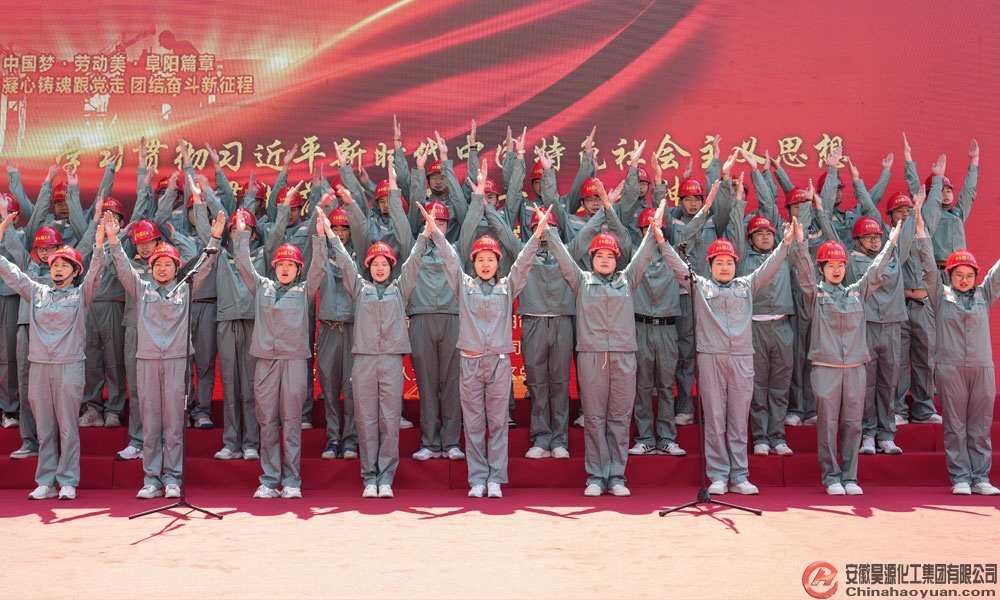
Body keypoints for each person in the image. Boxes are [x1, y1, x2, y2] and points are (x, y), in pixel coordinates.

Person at [660, 181, 794, 495]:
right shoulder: (700, 287)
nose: (724, 266)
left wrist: (785, 244)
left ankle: (740, 476)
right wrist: (661, 241)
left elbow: (770, 268)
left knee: (737, 420)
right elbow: (677, 265)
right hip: (711, 360)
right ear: (709, 266)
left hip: (742, 360)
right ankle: (719, 476)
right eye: (718, 262)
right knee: (716, 420)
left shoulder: (746, 285)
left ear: (736, 265)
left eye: (729, 262)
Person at [430, 161, 542, 499]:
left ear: (497, 263)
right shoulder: (463, 286)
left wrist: (537, 236)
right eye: (480, 259)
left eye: (491, 259)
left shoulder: (508, 287)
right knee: (475, 423)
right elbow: (449, 258)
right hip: (470, 362)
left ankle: (496, 479)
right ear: (474, 263)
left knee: (497, 423)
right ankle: (477, 479)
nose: (485, 264)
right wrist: (434, 232)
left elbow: (523, 262)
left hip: (498, 364)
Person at [105, 207, 222, 499]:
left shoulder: (185, 290)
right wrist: (114, 241)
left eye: (168, 264)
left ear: (176, 267)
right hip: (147, 362)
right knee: (150, 422)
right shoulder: (142, 290)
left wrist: (216, 238)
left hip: (176, 363)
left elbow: (205, 266)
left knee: (173, 424)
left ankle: (172, 479)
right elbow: (123, 268)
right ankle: (151, 480)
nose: (162, 269)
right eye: (158, 264)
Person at [547, 204, 660, 497]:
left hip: (624, 356)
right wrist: (547, 231)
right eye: (600, 255)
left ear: (617, 259)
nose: (605, 260)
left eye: (610, 255)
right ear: (591, 259)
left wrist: (654, 231)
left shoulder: (627, 280)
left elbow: (643, 256)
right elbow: (563, 258)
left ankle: (617, 476)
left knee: (620, 418)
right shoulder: (581, 281)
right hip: (592, 357)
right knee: (595, 418)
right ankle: (596, 476)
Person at [325, 179, 427, 499]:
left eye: (385, 264)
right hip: (365, 361)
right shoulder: (360, 288)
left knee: (389, 421)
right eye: (375, 264)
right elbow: (345, 262)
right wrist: (330, 235)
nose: (380, 268)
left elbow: (414, 261)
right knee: (366, 420)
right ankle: (370, 477)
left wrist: (427, 234)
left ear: (391, 267)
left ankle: (387, 478)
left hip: (391, 361)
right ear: (368, 267)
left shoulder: (400, 288)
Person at [0, 211, 106, 500]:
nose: (58, 269)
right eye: (55, 264)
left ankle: (68, 480)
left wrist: (99, 246)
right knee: (45, 428)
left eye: (64, 265)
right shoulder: (37, 292)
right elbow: (11, 273)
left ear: (76, 271)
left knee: (68, 427)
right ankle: (45, 482)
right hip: (39, 366)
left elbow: (96, 274)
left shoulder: (81, 295)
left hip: (69, 366)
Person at [794, 212, 901, 496]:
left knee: (853, 425)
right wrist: (801, 246)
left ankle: (850, 477)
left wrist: (890, 244)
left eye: (841, 265)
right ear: (822, 269)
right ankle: (831, 477)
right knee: (827, 426)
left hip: (855, 369)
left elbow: (875, 272)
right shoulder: (816, 295)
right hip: (826, 368)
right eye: (831, 265)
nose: (837, 270)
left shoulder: (856, 293)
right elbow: (803, 274)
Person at [234, 204, 326, 500]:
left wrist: (320, 238)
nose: (285, 268)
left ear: (298, 270)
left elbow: (319, 268)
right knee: (267, 421)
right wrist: (240, 236)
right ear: (274, 267)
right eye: (281, 264)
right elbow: (243, 266)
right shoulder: (262, 287)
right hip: (266, 362)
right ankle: (269, 480)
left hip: (294, 362)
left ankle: (292, 481)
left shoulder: (304, 291)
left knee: (292, 422)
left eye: (291, 265)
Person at [917, 225, 1000, 495]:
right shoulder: (940, 296)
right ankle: (961, 477)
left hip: (981, 368)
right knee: (955, 424)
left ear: (976, 277)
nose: (964, 280)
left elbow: (997, 273)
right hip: (950, 368)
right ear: (949, 275)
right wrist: (920, 230)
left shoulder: (984, 294)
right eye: (959, 275)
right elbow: (928, 267)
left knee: (980, 425)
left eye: (969, 275)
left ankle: (980, 477)